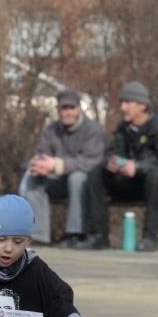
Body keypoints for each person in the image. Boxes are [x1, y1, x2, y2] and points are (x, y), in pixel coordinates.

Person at [78, 81, 158, 251]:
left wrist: (139, 167)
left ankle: (150, 238)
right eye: (122, 102)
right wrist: (111, 163)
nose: (122, 107)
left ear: (142, 105)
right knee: (96, 174)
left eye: (127, 102)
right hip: (131, 182)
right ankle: (99, 235)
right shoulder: (122, 129)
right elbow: (112, 152)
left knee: (156, 176)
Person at [19, 89, 105, 248]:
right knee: (33, 180)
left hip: (85, 185)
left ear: (79, 109)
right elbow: (41, 152)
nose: (68, 112)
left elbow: (93, 161)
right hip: (57, 181)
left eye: (71, 108)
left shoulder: (93, 129)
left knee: (77, 178)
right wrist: (38, 164)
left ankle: (75, 233)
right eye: (64, 109)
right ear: (58, 110)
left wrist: (57, 165)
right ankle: (39, 235)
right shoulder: (51, 130)